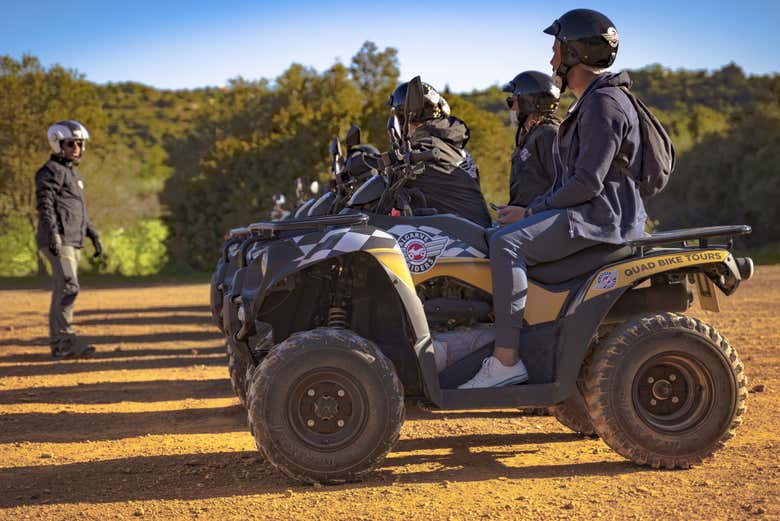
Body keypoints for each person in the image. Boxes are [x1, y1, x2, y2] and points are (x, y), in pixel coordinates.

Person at [459, 8, 647, 388]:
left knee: (507, 244)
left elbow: (585, 183)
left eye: (556, 49)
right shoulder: (594, 102)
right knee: (497, 236)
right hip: (593, 213)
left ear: (574, 53)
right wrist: (527, 212)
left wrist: (530, 211)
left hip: (599, 219)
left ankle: (507, 358)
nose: (551, 59)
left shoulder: (603, 104)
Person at [36, 120, 102, 358]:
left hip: (72, 239)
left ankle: (61, 342)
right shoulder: (50, 172)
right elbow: (45, 205)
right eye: (70, 144)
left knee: (65, 287)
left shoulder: (72, 173)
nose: (76, 148)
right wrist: (52, 233)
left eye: (79, 144)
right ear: (57, 144)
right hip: (59, 239)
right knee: (68, 286)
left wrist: (92, 232)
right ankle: (63, 342)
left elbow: (78, 209)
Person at [386, 81, 491, 227]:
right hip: (470, 230)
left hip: (460, 236)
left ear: (406, 116)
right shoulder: (449, 145)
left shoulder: (427, 147)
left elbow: (390, 174)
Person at [495, 71, 560, 223]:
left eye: (512, 101)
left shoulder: (548, 135)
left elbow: (563, 188)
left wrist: (528, 212)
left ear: (528, 102)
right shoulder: (530, 135)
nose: (511, 108)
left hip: (539, 222)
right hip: (528, 219)